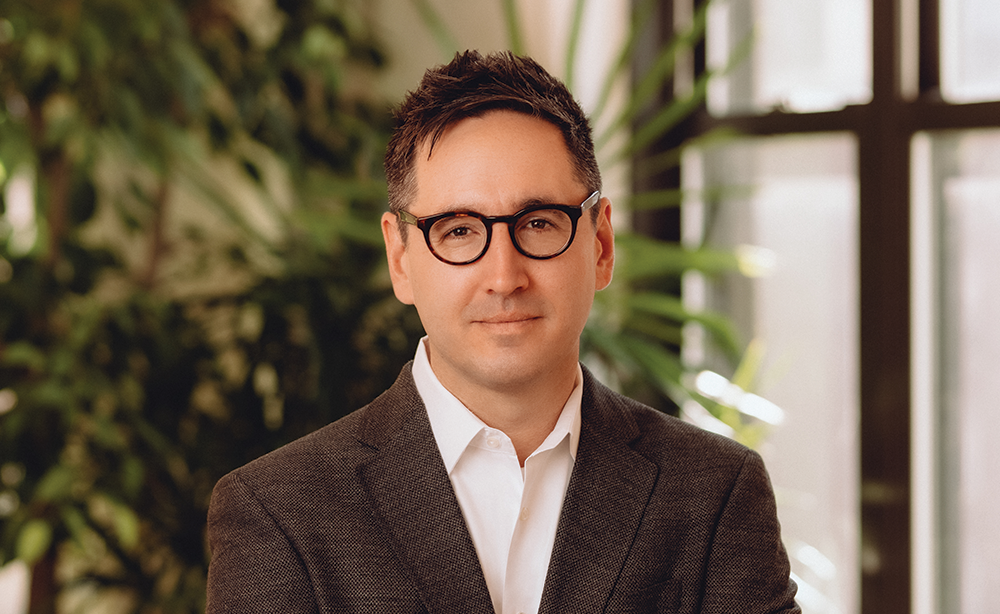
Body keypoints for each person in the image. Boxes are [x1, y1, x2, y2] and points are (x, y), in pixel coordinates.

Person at [206, 50, 800, 614]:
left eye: (539, 223)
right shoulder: (279, 513)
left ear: (600, 244)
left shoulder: (714, 493)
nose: (504, 276)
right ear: (400, 257)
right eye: (460, 230)